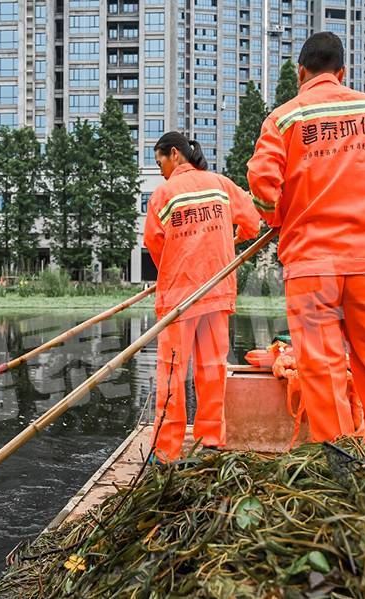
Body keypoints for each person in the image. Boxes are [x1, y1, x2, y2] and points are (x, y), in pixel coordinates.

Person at [247, 32, 365, 464]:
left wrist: (276, 216)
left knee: (322, 371)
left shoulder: (283, 118)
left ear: (300, 72)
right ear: (342, 73)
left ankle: (344, 469)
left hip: (311, 264)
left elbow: (263, 185)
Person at [143, 132, 261, 462]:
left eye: (160, 162)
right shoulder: (221, 185)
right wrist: (230, 240)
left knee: (172, 374)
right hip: (216, 291)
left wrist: (175, 265)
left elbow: (155, 244)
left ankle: (165, 449)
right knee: (211, 369)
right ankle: (212, 441)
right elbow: (253, 222)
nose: (161, 170)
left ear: (176, 155)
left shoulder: (163, 195)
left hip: (178, 299)